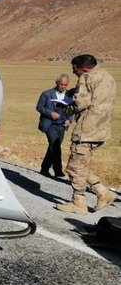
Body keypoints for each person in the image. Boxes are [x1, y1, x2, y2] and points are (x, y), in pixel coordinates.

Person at [56, 54, 117, 215]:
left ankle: (80, 202)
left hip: (87, 129)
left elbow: (81, 102)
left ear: (83, 68)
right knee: (81, 165)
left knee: (74, 167)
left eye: (74, 69)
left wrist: (66, 109)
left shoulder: (86, 77)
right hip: (102, 128)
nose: (73, 72)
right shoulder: (107, 76)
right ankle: (103, 193)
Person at [35, 74, 72, 178]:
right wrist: (50, 113)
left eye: (65, 85)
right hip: (49, 124)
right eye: (61, 84)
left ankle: (44, 169)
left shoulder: (69, 95)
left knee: (54, 147)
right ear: (57, 82)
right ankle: (58, 170)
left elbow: (72, 110)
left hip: (62, 125)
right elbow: (39, 107)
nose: (63, 87)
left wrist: (69, 119)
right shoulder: (46, 94)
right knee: (55, 145)